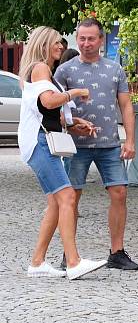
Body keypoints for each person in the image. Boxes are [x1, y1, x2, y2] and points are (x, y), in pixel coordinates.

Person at [18, 26, 106, 280]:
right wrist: (75, 93)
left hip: (41, 140)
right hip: (40, 142)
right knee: (67, 196)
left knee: (56, 203)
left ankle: (37, 262)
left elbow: (45, 111)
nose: (61, 46)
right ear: (44, 43)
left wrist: (74, 122)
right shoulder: (40, 68)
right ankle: (74, 261)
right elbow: (48, 101)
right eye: (57, 42)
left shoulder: (39, 70)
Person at [54, 18, 138, 271]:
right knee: (71, 198)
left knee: (119, 193)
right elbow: (54, 107)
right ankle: (69, 253)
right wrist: (69, 126)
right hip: (75, 144)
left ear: (101, 40)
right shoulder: (64, 70)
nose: (86, 43)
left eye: (91, 38)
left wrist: (130, 140)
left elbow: (125, 105)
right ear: (76, 39)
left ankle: (117, 251)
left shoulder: (115, 69)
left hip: (109, 144)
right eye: (82, 38)